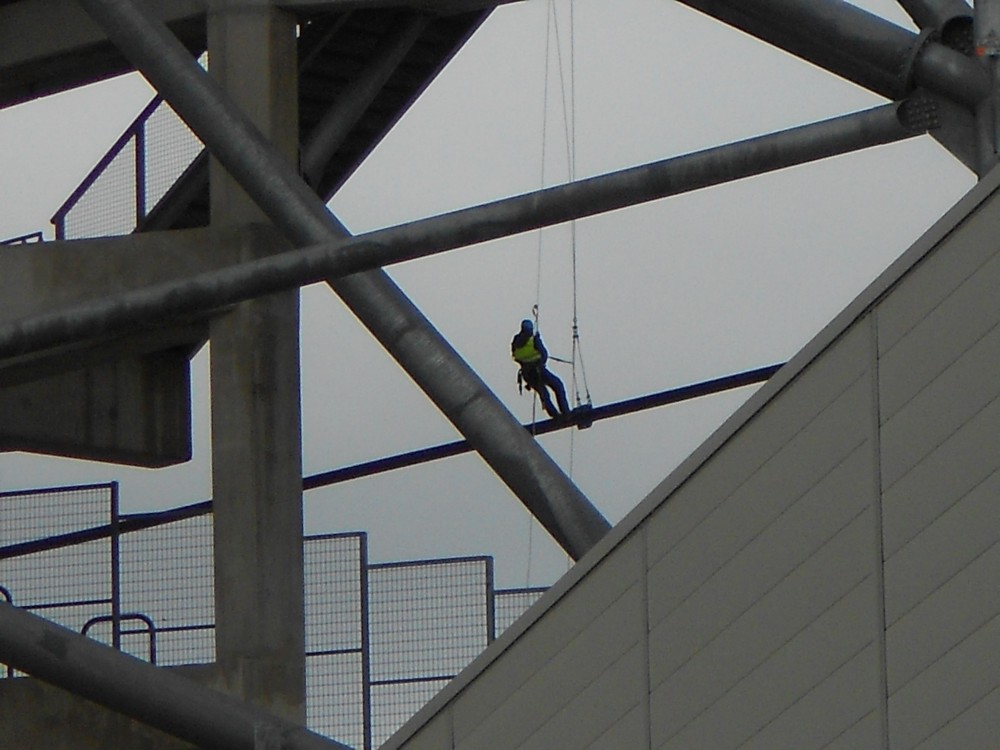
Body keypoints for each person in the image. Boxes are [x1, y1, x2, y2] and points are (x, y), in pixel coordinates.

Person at [511, 318, 570, 419]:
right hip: (539, 370)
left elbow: (515, 357)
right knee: (557, 385)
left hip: (527, 374)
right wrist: (538, 340)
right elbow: (544, 355)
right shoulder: (533, 340)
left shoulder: (515, 342)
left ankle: (554, 415)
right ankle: (565, 412)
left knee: (543, 393)